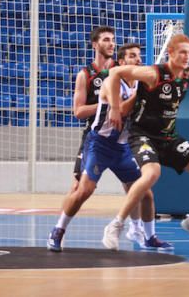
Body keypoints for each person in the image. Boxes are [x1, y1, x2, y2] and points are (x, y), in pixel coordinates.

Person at [48, 43, 170, 252]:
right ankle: (58, 230)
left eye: (139, 56)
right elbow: (121, 111)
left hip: (123, 147)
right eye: (132, 56)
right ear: (121, 63)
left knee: (146, 194)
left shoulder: (138, 85)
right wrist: (142, 94)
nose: (138, 60)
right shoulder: (110, 83)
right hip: (100, 144)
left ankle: (149, 236)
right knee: (84, 189)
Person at [101, 34, 189, 251]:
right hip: (143, 134)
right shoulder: (153, 73)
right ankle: (115, 225)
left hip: (168, 136)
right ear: (170, 53)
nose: (186, 56)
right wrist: (115, 107)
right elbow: (115, 72)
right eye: (182, 52)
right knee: (152, 174)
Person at [64, 27, 148, 245]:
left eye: (113, 40)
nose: (111, 44)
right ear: (95, 44)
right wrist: (109, 105)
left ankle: (136, 229)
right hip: (95, 134)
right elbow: (78, 112)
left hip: (121, 138)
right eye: (106, 40)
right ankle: (60, 230)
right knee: (78, 188)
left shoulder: (122, 71)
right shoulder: (86, 74)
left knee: (133, 185)